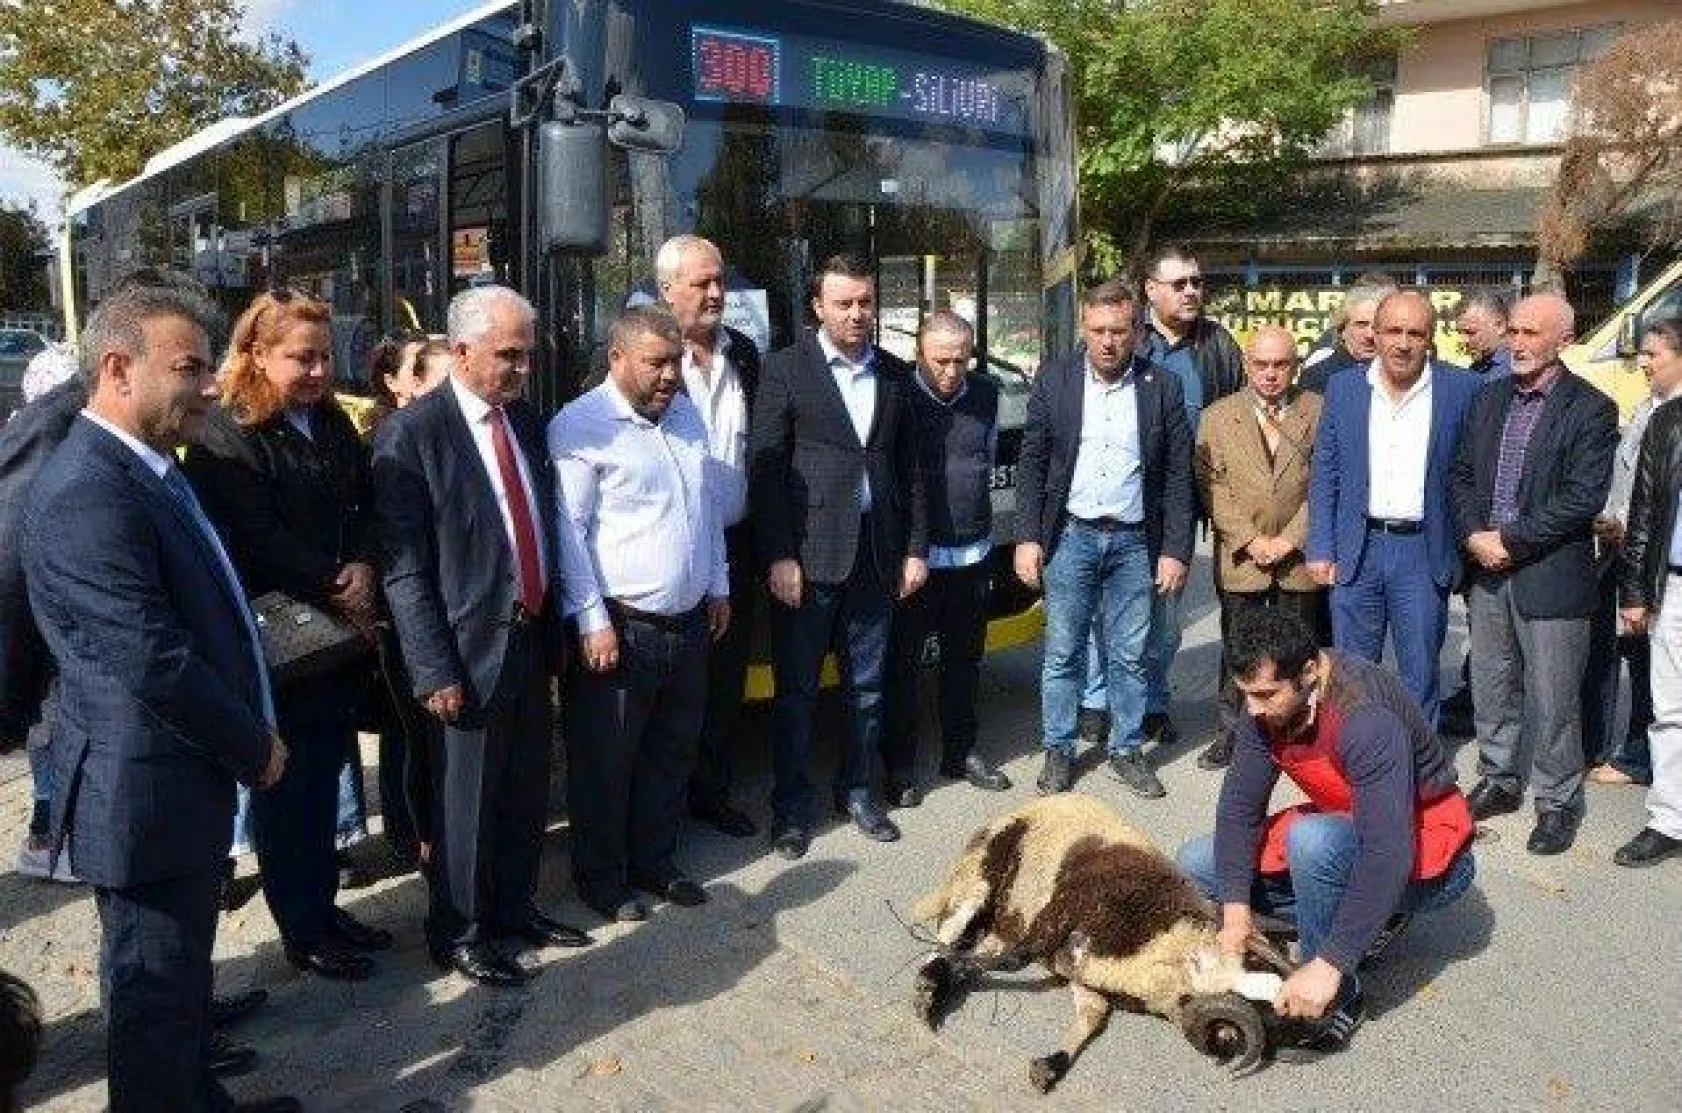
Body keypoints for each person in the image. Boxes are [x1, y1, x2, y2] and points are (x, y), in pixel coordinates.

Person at [22, 281, 298, 1112]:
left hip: (175, 785)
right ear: (118, 368)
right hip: (144, 794)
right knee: (153, 1005)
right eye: (190, 368)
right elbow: (151, 657)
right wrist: (252, 743)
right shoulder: (87, 488)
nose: (212, 385)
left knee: (176, 999)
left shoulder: (143, 466)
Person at [373, 285, 592, 985]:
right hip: (463, 653)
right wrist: (432, 667)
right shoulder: (412, 434)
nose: (523, 369)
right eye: (509, 356)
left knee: (525, 791)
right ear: (462, 351)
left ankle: (515, 909)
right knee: (463, 805)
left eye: (527, 356)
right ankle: (459, 932)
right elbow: (405, 569)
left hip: (528, 637)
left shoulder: (522, 417)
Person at [182, 289, 393, 981]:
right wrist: (335, 580)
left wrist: (363, 564)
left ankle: (325, 908)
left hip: (335, 640)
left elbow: (363, 503)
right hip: (280, 648)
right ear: (256, 354)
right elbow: (254, 535)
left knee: (325, 779)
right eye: (302, 358)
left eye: (325, 356)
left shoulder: (328, 420)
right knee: (288, 794)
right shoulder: (227, 435)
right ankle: (302, 927)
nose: (318, 371)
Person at [1177, 607, 1475, 1057]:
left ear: (1309, 672)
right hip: (1347, 827)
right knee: (1197, 865)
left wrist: (1331, 963)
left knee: (1311, 842)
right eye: (1246, 694)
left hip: (1426, 852)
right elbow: (1240, 809)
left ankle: (1339, 991)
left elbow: (1387, 853)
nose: (1253, 709)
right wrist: (1236, 912)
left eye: (1266, 695)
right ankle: (1364, 919)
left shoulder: (1364, 717)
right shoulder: (1267, 705)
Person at [748, 253, 928, 859]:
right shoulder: (785, 369)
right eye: (844, 303)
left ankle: (857, 791)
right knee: (797, 693)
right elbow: (766, 469)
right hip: (808, 558)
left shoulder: (895, 374)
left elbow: (912, 471)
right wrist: (778, 555)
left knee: (868, 689)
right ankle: (791, 809)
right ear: (818, 307)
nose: (856, 313)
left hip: (878, 556)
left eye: (865, 302)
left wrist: (914, 549)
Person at [551, 307, 727, 921]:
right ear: (617, 358)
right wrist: (590, 618)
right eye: (656, 363)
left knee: (672, 752)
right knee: (607, 762)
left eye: (676, 362)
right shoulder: (581, 425)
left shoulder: (686, 416)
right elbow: (569, 531)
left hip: (690, 621)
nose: (670, 375)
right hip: (621, 629)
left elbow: (706, 509)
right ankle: (601, 878)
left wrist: (718, 584)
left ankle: (655, 861)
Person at [1450, 292, 1617, 855]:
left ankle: (1557, 800)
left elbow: (1582, 497)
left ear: (1563, 340)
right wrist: (1475, 535)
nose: (1517, 343)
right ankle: (1499, 779)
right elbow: (1461, 475)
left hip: (1549, 575)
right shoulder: (1488, 399)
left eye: (1531, 333)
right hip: (1487, 572)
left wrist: (1510, 540)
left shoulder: (1591, 408)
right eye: (1514, 331)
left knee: (1554, 699)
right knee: (1492, 685)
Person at [1015, 280, 1193, 799]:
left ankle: (1126, 748)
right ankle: (1058, 748)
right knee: (1063, 651)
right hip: (1071, 536)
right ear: (1083, 329)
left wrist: (1175, 550)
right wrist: (1027, 536)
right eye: (1098, 331)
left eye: (1119, 331)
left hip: (1135, 541)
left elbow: (1178, 475)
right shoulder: (1055, 380)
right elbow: (1032, 461)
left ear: (1136, 330)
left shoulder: (1162, 386)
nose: (1109, 341)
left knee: (1130, 653)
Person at [1081, 247, 1244, 757]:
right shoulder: (1125, 336)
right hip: (1121, 499)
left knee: (1165, 616)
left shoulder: (1217, 346)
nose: (1192, 291)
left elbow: (1236, 420)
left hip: (1181, 505)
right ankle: (1096, 700)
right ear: (1151, 290)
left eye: (1197, 282)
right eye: (1180, 283)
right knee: (1105, 608)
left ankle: (1153, 699)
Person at [1306, 290, 1480, 727]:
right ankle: (1357, 756)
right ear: (1376, 334)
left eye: (1415, 333)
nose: (1403, 343)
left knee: (1419, 671)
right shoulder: (1344, 387)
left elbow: (1475, 473)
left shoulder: (1462, 389)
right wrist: (1321, 545)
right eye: (1393, 331)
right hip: (1357, 548)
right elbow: (1326, 468)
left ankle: (1418, 762)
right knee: (1351, 672)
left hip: (1422, 550)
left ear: (1431, 338)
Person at [652, 235, 763, 839]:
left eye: (720, 280)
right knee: (671, 692)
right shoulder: (641, 354)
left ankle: (712, 794)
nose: (717, 292)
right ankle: (659, 813)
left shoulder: (743, 353)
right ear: (667, 290)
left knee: (724, 682)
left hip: (734, 546)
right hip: (670, 552)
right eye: (702, 283)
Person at [882, 311, 1011, 797]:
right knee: (903, 667)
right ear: (919, 354)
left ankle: (961, 752)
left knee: (964, 662)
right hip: (914, 560)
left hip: (972, 554)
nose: (951, 372)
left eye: (961, 360)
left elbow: (986, 458)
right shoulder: (897, 395)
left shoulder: (986, 395)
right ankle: (899, 766)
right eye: (940, 361)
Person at [1194, 324, 1326, 770]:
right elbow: (1212, 486)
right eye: (1261, 364)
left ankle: (1298, 733)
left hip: (1297, 556)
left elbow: (1326, 482)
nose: (1270, 374)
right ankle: (1232, 735)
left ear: (1295, 366)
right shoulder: (1217, 416)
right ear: (1246, 365)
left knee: (1298, 650)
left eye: (1280, 365)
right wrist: (1250, 540)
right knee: (1239, 648)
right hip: (1242, 556)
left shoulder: (1317, 410)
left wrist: (1290, 539)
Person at [1584, 320, 1682, 789]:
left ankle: (1641, 756)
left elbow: (1658, 502)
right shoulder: (1649, 408)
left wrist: (1626, 528)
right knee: (1637, 659)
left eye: (1653, 354)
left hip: (1652, 560)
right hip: (1623, 548)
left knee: (1650, 667)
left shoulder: (1669, 418)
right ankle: (1633, 750)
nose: (1642, 362)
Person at [3, 345, 83, 882]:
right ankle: (48, 834)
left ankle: (48, 830)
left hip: (44, 622)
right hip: (46, 622)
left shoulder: (28, 442)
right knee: (51, 725)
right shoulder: (47, 446)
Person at [1614, 318, 1682, 867]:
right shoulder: (1666, 423)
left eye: (1653, 352)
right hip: (1674, 585)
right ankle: (1669, 819)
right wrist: (1635, 590)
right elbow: (1644, 512)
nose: (1642, 361)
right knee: (1671, 708)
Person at [1298, 279, 1397, 394]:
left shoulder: (1400, 374)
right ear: (1342, 329)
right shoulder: (1317, 377)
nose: (1370, 335)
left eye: (1377, 326)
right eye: (1361, 324)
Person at [1455, 290, 1513, 379]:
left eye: (1471, 332)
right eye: (1459, 332)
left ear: (1500, 326)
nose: (1463, 340)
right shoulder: (1478, 366)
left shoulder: (1516, 369)